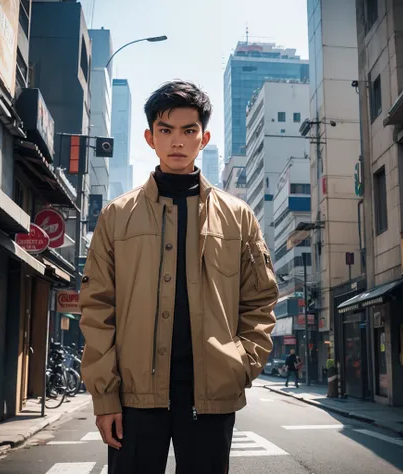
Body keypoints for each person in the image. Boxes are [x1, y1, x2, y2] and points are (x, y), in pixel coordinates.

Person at [79, 80, 278, 474]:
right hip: (135, 399)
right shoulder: (117, 216)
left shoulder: (239, 217)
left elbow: (260, 301)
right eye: (166, 130)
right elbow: (97, 307)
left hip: (210, 398)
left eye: (189, 131)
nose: (177, 141)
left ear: (203, 138)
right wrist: (106, 399)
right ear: (150, 137)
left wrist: (241, 364)